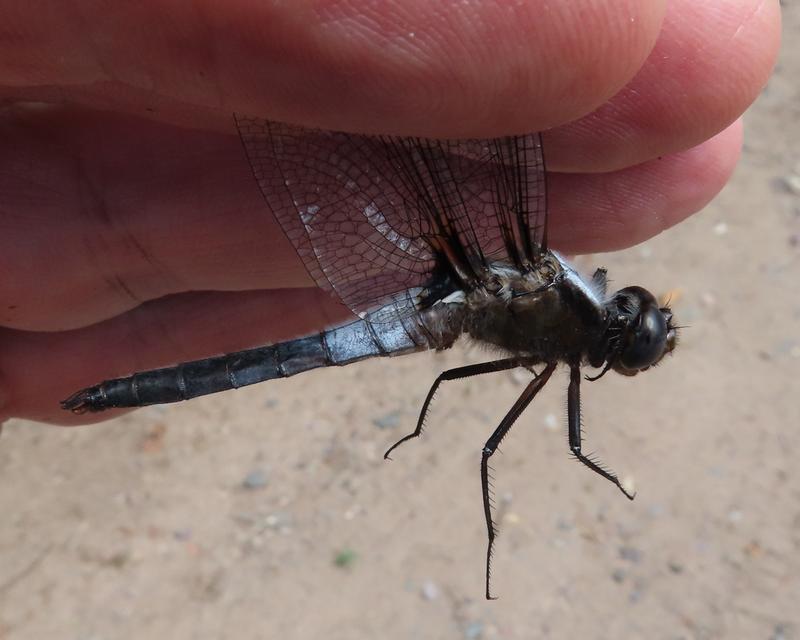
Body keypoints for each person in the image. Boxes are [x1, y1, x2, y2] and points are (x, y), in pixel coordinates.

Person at [0, 0, 781, 424]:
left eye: (628, 317)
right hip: (452, 300)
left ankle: (102, 389)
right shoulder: (557, 334)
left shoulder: (547, 292)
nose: (623, 305)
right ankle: (105, 390)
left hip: (454, 296)